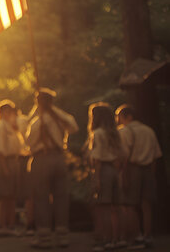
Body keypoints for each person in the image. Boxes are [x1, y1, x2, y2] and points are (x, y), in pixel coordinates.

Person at [25, 88, 78, 249]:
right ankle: (63, 236)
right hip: (59, 158)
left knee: (41, 197)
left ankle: (44, 236)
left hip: (42, 159)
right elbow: (74, 127)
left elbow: (28, 142)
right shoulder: (61, 118)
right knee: (61, 197)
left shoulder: (38, 121)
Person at [116, 104, 163, 249]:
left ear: (128, 117)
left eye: (121, 117)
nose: (119, 121)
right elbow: (156, 155)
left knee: (129, 205)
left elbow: (123, 155)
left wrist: (122, 173)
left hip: (132, 168)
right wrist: (152, 175)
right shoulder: (149, 130)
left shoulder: (125, 131)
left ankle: (137, 236)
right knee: (146, 205)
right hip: (148, 169)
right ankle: (147, 236)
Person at [86, 103, 124, 251]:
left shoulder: (98, 133)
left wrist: (97, 178)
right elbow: (122, 154)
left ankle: (106, 240)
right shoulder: (115, 133)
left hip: (103, 169)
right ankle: (118, 239)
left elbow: (97, 158)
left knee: (104, 207)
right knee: (117, 207)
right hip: (115, 170)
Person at [0, 101, 24, 236]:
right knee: (4, 196)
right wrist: (5, 167)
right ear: (0, 113)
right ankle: (3, 225)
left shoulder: (12, 127)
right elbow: (0, 150)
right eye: (5, 111)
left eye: (10, 111)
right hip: (4, 162)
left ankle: (11, 225)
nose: (8, 114)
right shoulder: (1, 127)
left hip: (14, 160)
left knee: (11, 196)